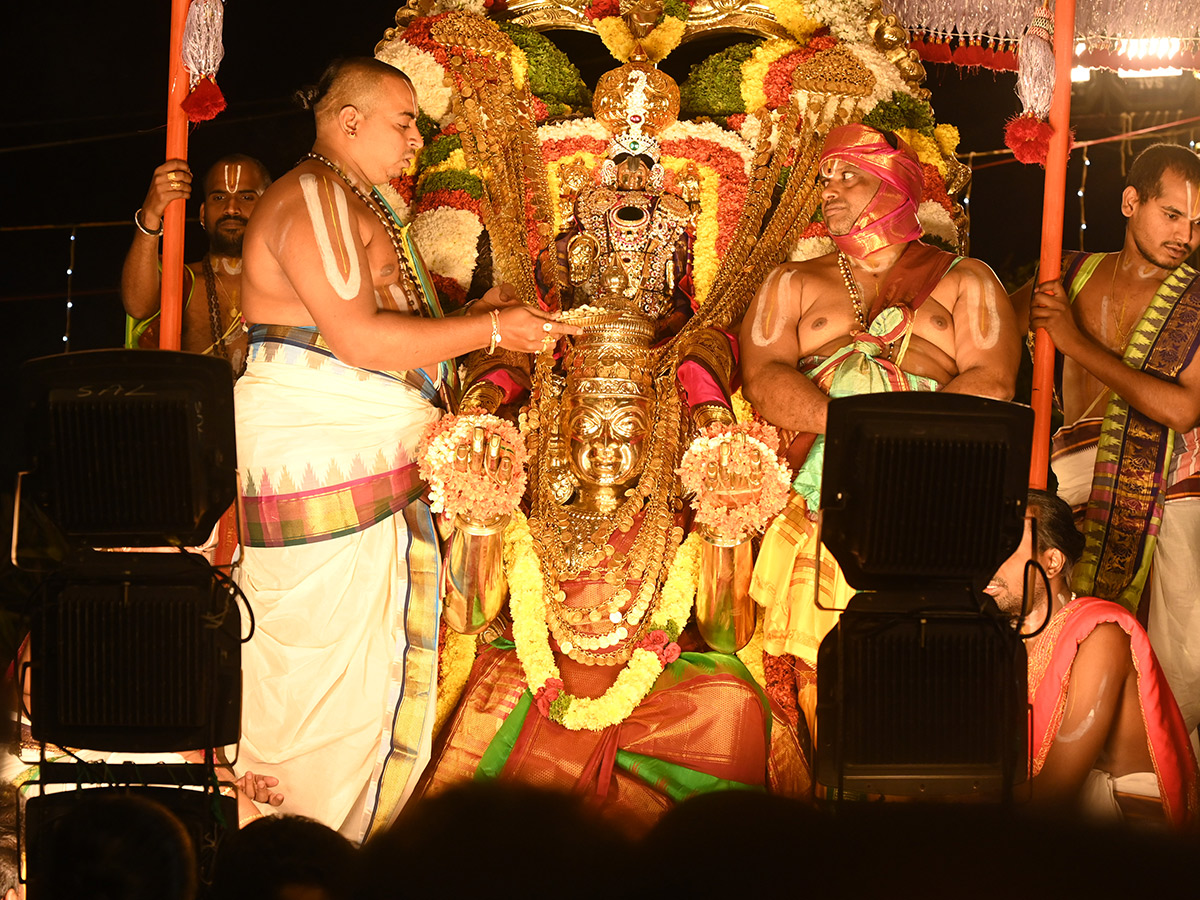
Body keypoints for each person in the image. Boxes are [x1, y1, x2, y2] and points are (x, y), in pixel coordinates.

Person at [232, 56, 576, 843]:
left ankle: (340, 856)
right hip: (322, 456)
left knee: (366, 676)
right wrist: (494, 331)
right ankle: (287, 857)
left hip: (368, 456)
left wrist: (492, 313)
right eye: (404, 120)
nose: (417, 137)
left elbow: (398, 330)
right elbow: (356, 337)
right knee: (317, 685)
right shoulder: (315, 195)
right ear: (347, 121)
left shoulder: (359, 201)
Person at [741, 123, 1020, 718]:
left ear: (894, 187)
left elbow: (993, 383)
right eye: (825, 179)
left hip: (931, 496)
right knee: (813, 669)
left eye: (850, 176)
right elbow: (764, 379)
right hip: (819, 496)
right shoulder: (789, 281)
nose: (830, 191)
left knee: (914, 676)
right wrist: (856, 433)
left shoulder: (967, 279)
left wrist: (898, 447)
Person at [1013, 144, 1200, 749]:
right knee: (1059, 636)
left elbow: (1182, 408)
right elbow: (991, 324)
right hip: (1068, 480)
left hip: (1169, 492)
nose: (1186, 236)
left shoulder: (1198, 303)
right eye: (1172, 215)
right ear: (1130, 202)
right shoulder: (1066, 271)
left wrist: (1071, 339)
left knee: (1170, 670)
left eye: (1198, 224)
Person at [985, 489, 1198, 825]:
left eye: (1006, 550)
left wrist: (948, 801)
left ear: (1052, 562)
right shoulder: (1003, 641)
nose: (988, 566)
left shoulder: (1101, 635)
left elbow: (1054, 795)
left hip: (1128, 839)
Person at [121, 154, 272, 373]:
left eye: (246, 197)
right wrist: (151, 213)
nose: (231, 209)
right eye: (219, 198)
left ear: (268, 207)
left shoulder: (291, 285)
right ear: (203, 214)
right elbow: (138, 306)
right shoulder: (177, 280)